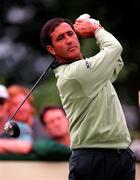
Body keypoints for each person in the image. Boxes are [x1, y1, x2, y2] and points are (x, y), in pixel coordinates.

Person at [40, 14, 135, 179]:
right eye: (61, 38)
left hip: (122, 155)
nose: (69, 40)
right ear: (51, 49)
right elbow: (114, 49)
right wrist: (96, 28)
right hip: (93, 158)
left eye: (71, 34)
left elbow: (116, 60)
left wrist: (97, 31)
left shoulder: (90, 72)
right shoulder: (73, 74)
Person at [0, 85, 34, 154]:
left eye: (1, 102)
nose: (21, 108)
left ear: (7, 105)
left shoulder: (20, 127)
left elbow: (25, 147)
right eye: (15, 104)